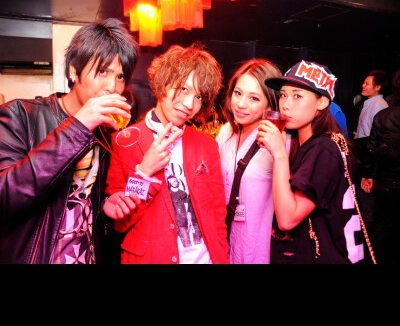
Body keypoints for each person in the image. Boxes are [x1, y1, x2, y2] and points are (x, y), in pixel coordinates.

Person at [0, 18, 139, 264]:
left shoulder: (105, 133)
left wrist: (105, 206)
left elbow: (82, 201)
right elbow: (5, 196)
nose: (112, 86)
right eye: (103, 71)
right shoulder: (20, 115)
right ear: (74, 71)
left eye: (120, 76)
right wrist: (78, 127)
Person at [103, 43, 230, 264]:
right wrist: (144, 172)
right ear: (163, 82)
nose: (189, 104)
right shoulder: (126, 141)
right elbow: (121, 222)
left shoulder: (206, 145)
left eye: (199, 97)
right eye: (184, 89)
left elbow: (217, 215)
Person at [258, 60, 366, 264]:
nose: (286, 104)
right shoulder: (315, 143)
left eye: (297, 96)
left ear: (322, 102)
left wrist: (279, 154)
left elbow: (287, 219)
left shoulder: (323, 149)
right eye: (283, 95)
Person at [215, 58, 282, 264]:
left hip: (257, 244)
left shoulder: (278, 140)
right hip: (223, 237)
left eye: (254, 98)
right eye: (238, 93)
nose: (241, 104)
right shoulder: (227, 132)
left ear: (270, 103)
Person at [361, 69, 400, 264]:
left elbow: (372, 150)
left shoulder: (384, 115)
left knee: (383, 230)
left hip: (387, 183)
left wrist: (369, 174)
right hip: (388, 181)